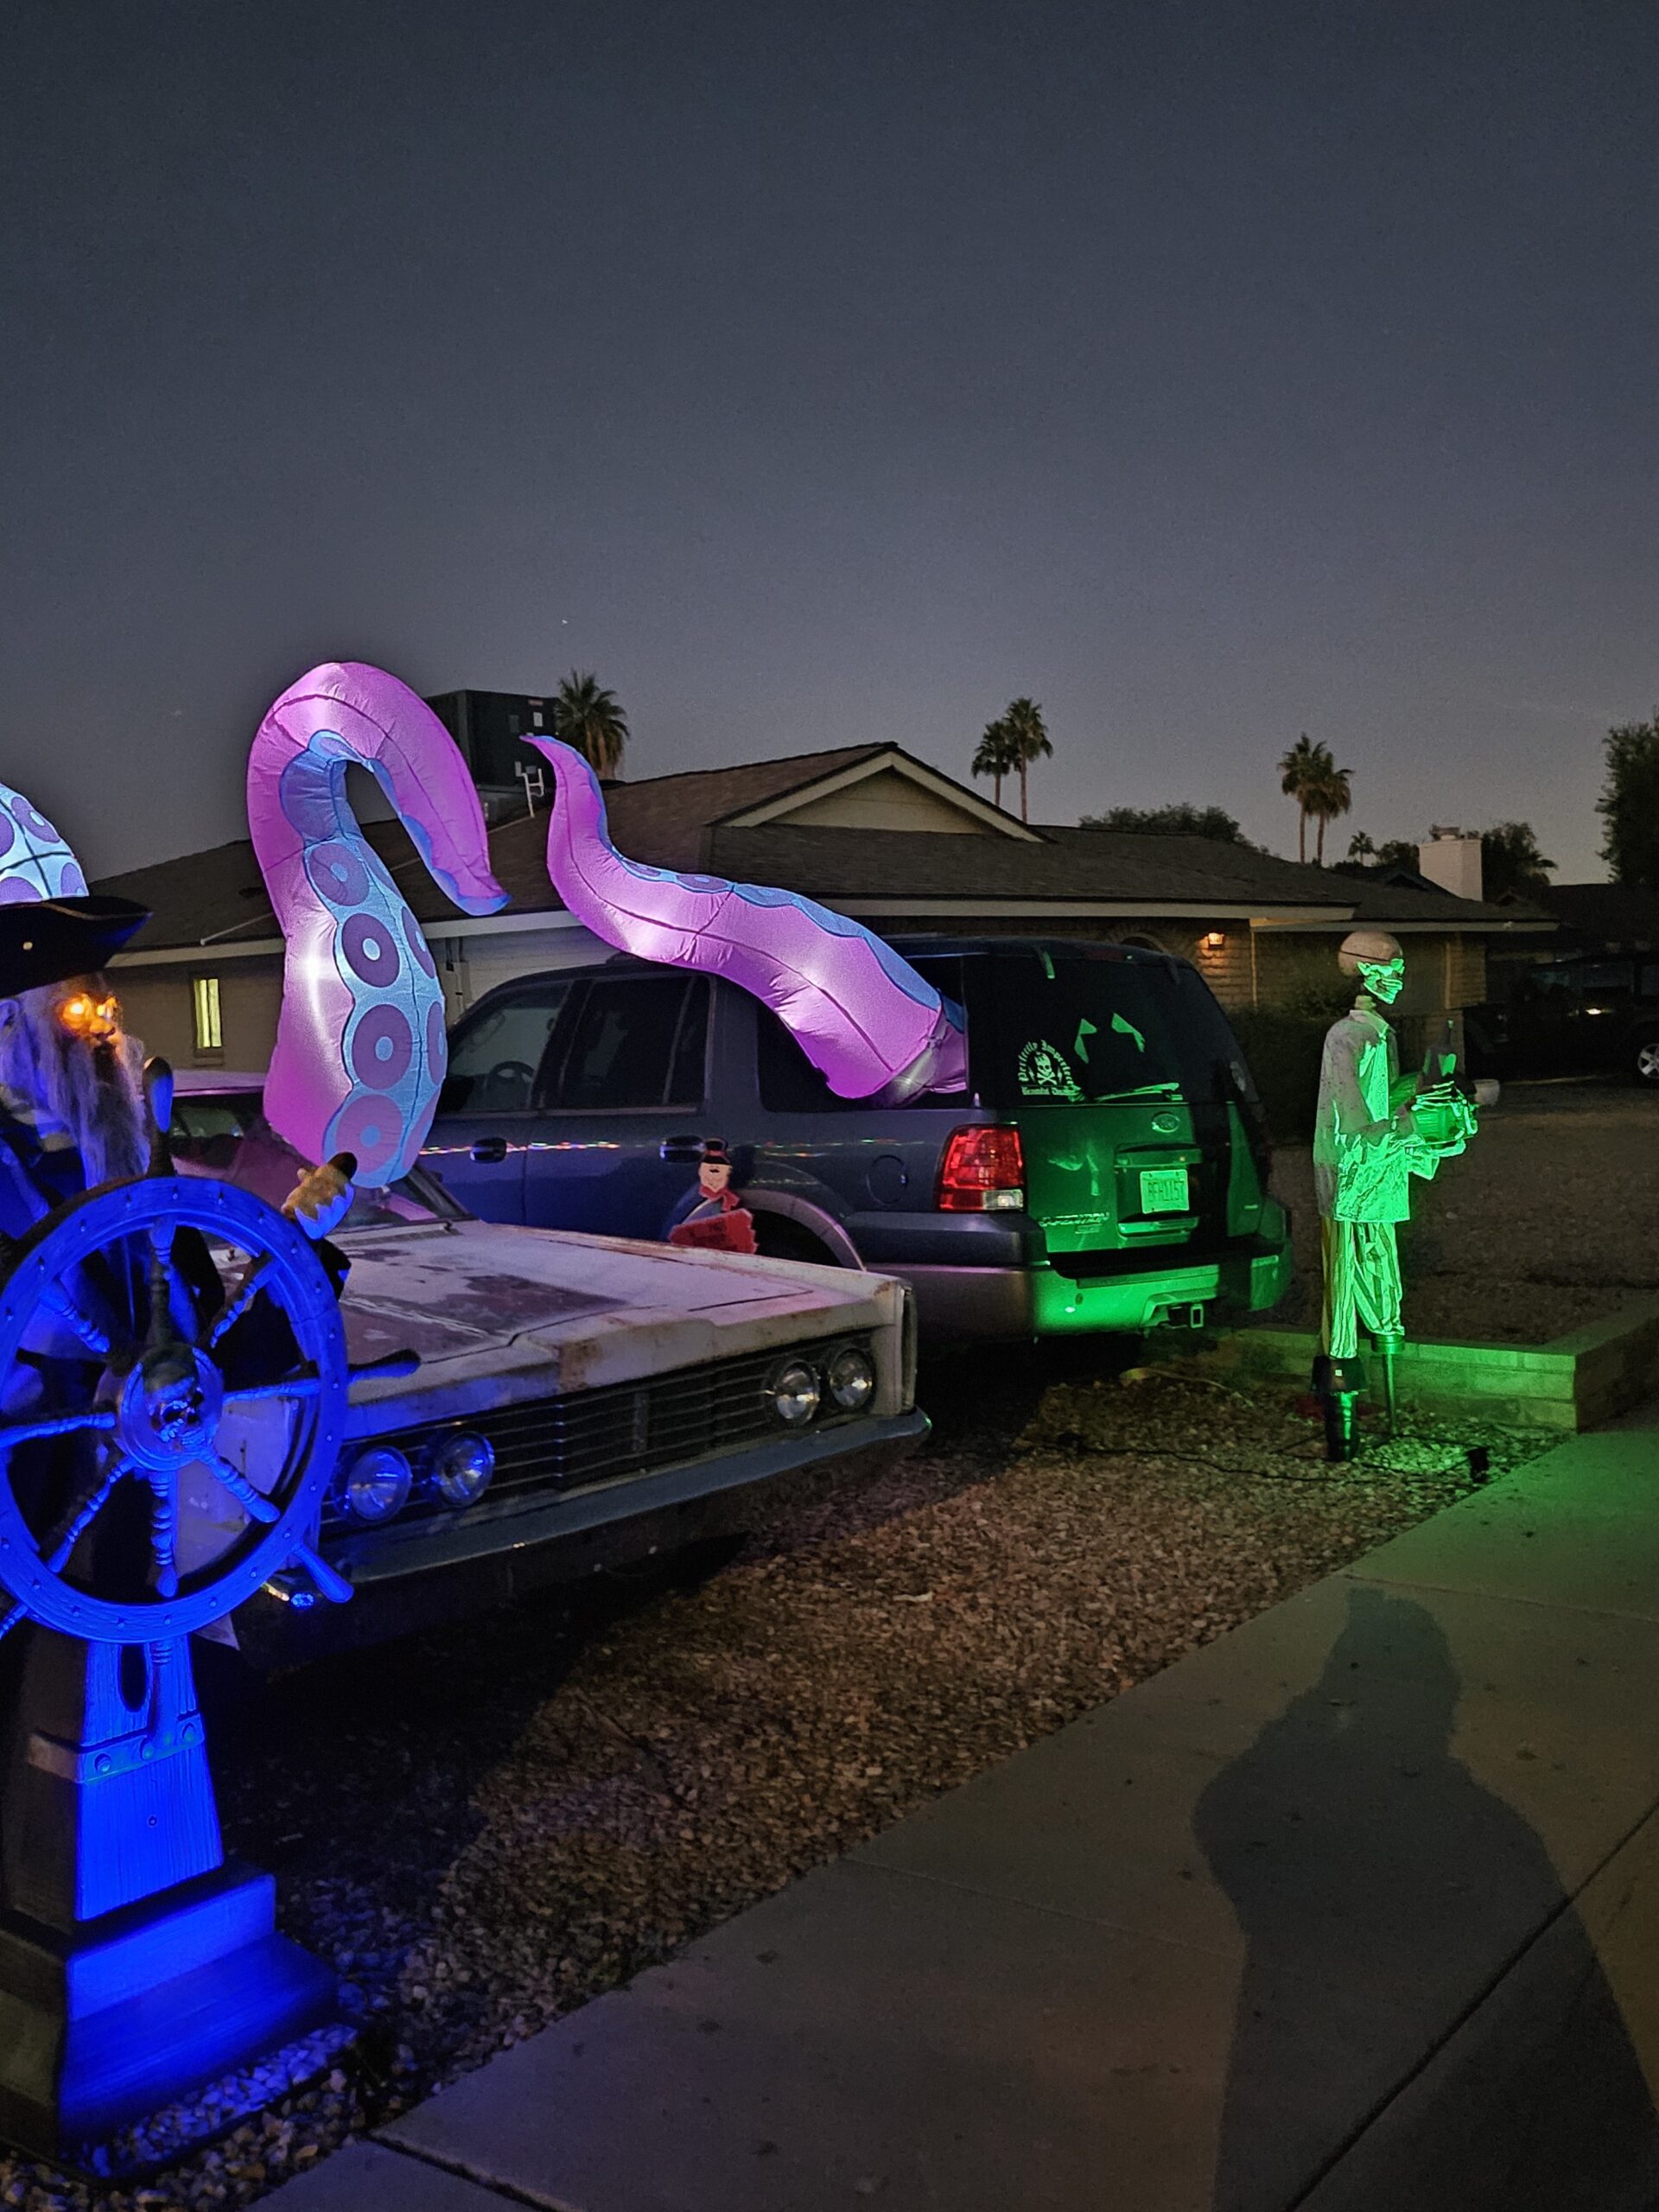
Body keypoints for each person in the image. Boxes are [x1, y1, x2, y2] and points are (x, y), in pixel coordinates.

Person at [1312, 929, 1475, 1458]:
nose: (1400, 980)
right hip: (1349, 1183)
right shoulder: (1347, 1037)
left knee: (1384, 1283)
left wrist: (1430, 1116)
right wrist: (1411, 1126)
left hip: (1377, 1179)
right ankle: (1342, 1425)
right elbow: (1352, 1123)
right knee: (1342, 1298)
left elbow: (1385, 1113)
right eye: (1392, 969)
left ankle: (1387, 1412)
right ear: (1364, 970)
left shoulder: (1380, 1035)